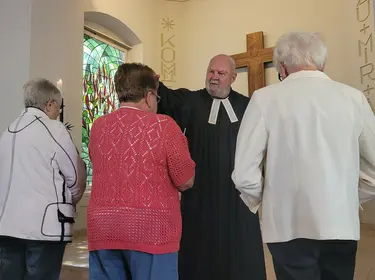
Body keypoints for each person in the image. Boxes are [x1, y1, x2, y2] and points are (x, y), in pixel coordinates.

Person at [232, 31, 375, 280]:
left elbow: (245, 175)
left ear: (282, 67)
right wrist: (348, 197)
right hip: (341, 223)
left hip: (287, 225)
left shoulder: (265, 99)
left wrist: (267, 202)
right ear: (323, 63)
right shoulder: (353, 98)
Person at [157, 54, 266, 280]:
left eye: (221, 73)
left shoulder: (247, 106)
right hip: (201, 194)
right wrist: (153, 83)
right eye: (211, 71)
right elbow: (166, 100)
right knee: (199, 249)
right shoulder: (191, 101)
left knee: (240, 251)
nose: (214, 77)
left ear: (233, 77)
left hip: (237, 195)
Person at [87, 63, 196, 280]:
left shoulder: (98, 126)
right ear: (148, 96)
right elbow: (185, 180)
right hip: (151, 230)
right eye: (156, 97)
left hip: (103, 227)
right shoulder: (164, 125)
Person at [0, 78, 87, 280]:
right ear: (50, 104)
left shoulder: (7, 132)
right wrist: (69, 201)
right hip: (44, 227)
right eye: (59, 106)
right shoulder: (54, 129)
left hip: (7, 226)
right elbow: (75, 177)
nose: (58, 112)